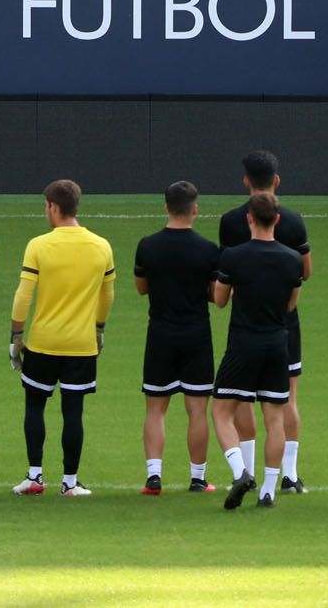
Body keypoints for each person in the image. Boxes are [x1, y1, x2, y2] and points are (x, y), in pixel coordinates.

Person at [8, 179, 115, 498]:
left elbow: (23, 294)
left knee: (34, 406)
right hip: (81, 346)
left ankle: (35, 477)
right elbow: (107, 295)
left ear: (54, 207)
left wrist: (16, 334)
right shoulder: (101, 246)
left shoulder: (39, 245)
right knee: (73, 412)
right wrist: (98, 327)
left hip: (42, 343)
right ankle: (69, 482)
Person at [216, 150, 312, 492]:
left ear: (245, 181)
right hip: (284, 323)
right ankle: (288, 476)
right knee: (286, 401)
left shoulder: (230, 222)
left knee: (240, 399)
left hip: (245, 323)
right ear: (277, 180)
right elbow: (306, 271)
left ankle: (246, 472)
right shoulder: (293, 220)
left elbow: (223, 278)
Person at [133, 181, 221, 496]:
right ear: (195, 209)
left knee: (155, 409)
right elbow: (215, 294)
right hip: (197, 334)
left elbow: (141, 287)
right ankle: (198, 478)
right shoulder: (209, 250)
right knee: (197, 409)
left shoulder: (148, 245)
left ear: (166, 207)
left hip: (160, 334)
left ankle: (153, 476)